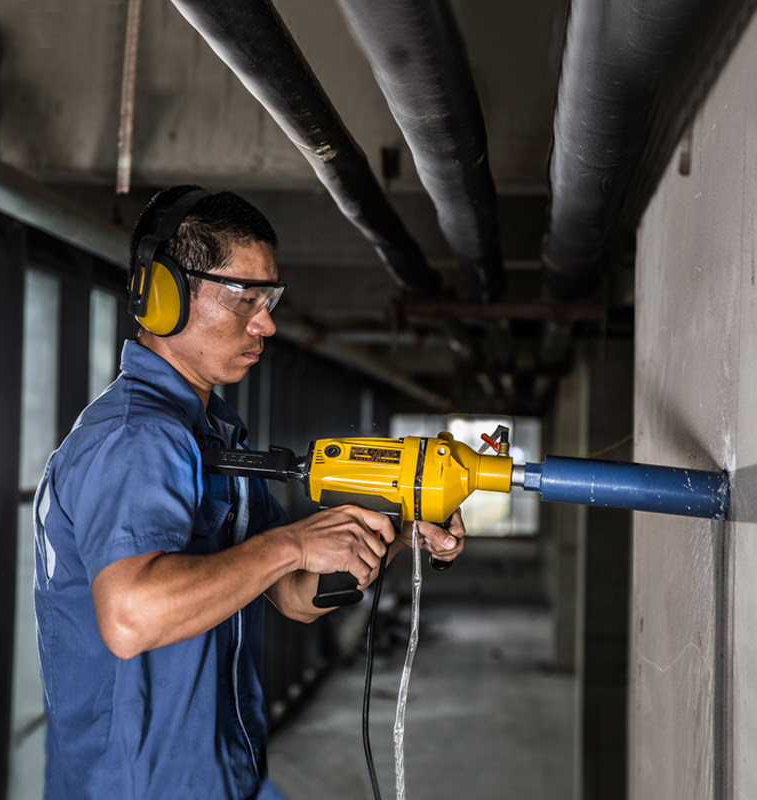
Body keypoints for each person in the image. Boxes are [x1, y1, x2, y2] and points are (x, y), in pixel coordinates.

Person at [33, 185, 465, 799]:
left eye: (270, 298)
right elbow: (131, 616)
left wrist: (398, 539)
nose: (265, 322)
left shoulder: (210, 437)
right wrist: (291, 543)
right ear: (164, 296)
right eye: (244, 297)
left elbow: (292, 594)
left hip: (227, 777)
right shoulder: (138, 439)